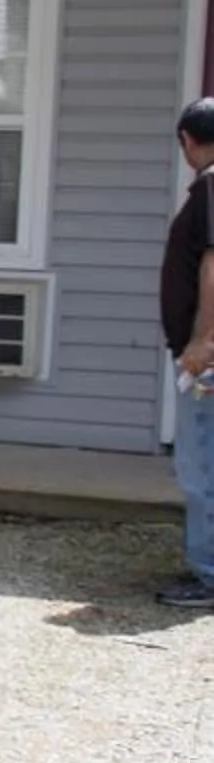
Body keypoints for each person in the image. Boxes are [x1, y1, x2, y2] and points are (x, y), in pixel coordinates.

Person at [161, 98, 214, 606]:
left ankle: (210, 575)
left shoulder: (213, 187)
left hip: (209, 361)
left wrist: (203, 341)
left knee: (203, 468)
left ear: (188, 140)